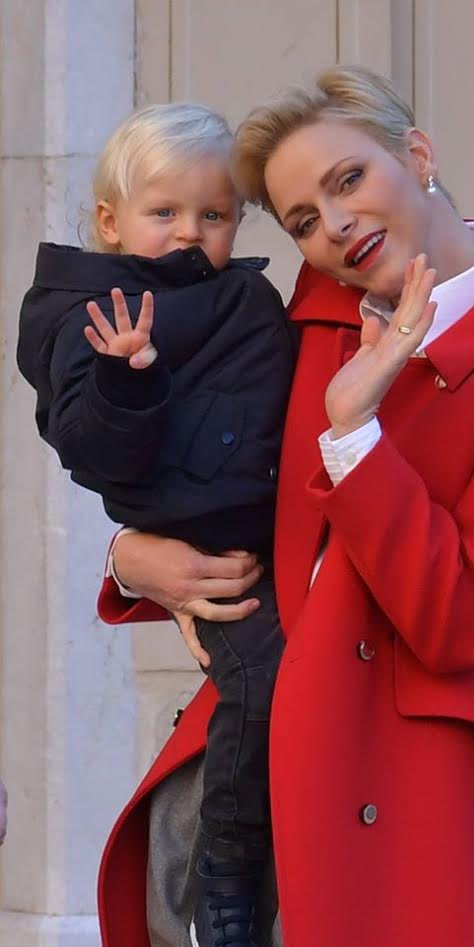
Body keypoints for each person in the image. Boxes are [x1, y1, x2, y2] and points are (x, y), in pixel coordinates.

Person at [97, 67, 474, 947]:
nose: (334, 226)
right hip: (256, 773)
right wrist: (134, 558)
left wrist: (355, 436)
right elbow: (212, 474)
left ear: (415, 155)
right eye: (303, 219)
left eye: (348, 180)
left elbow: (463, 617)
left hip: (431, 795)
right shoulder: (317, 308)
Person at [17, 103, 295, 947]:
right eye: (165, 213)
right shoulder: (95, 315)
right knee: (256, 686)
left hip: (271, 530)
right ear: (110, 220)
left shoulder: (247, 298)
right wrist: (128, 377)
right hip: (217, 547)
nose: (189, 234)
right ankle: (227, 868)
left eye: (213, 216)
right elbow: (93, 450)